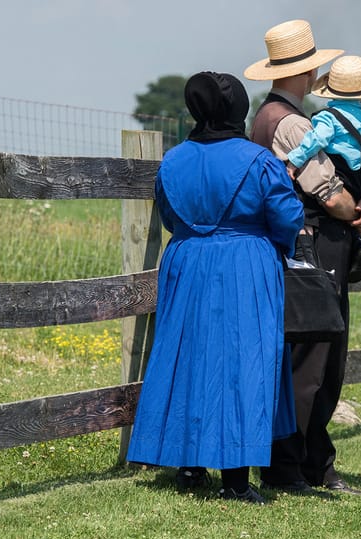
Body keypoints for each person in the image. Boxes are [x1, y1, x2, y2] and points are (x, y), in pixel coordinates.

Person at [126, 71, 305, 505]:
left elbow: (170, 217)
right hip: (245, 263)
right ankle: (236, 480)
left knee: (188, 356)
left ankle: (188, 465)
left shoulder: (172, 160)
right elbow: (288, 219)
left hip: (186, 261)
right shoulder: (258, 161)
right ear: (237, 109)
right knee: (243, 362)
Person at [245, 19, 361, 496]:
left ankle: (309, 462)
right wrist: (356, 207)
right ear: (309, 70)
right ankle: (293, 466)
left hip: (299, 242)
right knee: (316, 357)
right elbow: (327, 190)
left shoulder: (265, 116)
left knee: (307, 353)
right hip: (317, 242)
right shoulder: (294, 122)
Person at [284, 54, 361, 284]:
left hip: (341, 171)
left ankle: (356, 245)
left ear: (330, 90)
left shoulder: (327, 118)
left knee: (338, 202)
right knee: (356, 213)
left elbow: (315, 141)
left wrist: (294, 160)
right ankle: (358, 243)